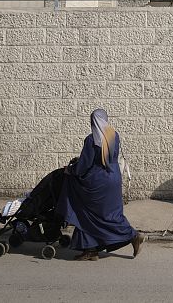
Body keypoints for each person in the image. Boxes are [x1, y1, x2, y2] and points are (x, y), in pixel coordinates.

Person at [57, 109, 143, 261]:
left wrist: (70, 170)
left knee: (84, 210)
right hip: (114, 179)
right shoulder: (114, 135)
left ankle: (133, 235)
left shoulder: (91, 140)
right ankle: (90, 250)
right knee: (109, 215)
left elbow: (84, 166)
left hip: (97, 183)